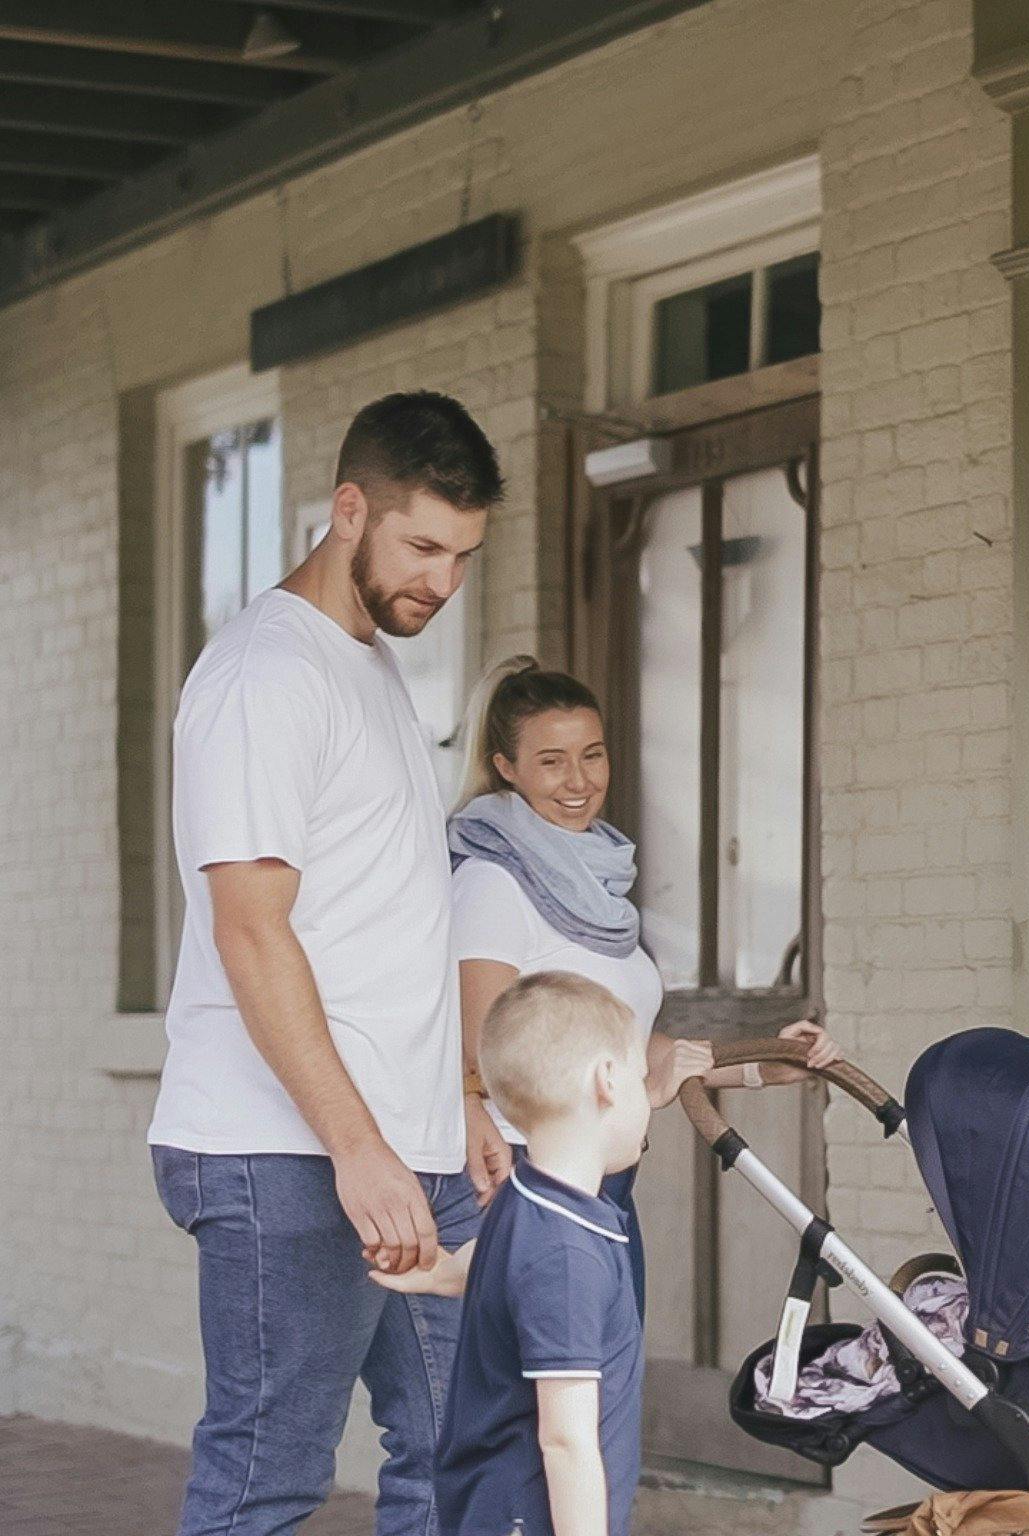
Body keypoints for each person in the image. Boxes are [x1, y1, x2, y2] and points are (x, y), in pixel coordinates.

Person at [147, 391, 502, 1535]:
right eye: (422, 546)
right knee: (269, 1479)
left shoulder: (365, 664)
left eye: (462, 554)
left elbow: (388, 922)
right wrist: (358, 1149)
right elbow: (253, 931)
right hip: (288, 1154)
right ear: (349, 509)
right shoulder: (265, 674)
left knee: (460, 1445)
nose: (442, 583)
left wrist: (457, 1099)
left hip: (407, 1147)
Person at [444, 657, 840, 1313]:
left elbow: (638, 1044)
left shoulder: (593, 883)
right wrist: (640, 1092)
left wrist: (768, 1063)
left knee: (604, 1404)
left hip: (605, 1181)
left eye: (592, 756)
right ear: (506, 768)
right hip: (524, 1181)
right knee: (550, 1404)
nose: (579, 781)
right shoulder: (493, 883)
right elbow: (487, 1054)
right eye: (552, 761)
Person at [388, 970, 653, 1536]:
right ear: (607, 1080)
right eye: (643, 1079)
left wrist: (450, 1273)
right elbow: (565, 1439)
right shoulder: (565, 1254)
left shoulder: (528, 1194)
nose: (648, 1101)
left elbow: (504, 1262)